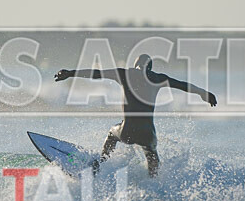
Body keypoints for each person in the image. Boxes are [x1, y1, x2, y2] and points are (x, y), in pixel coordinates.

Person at [54, 54, 217, 177]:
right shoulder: (159, 78)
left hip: (127, 131)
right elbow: (183, 85)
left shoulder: (125, 74)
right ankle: (154, 180)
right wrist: (204, 94)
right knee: (152, 154)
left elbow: (96, 74)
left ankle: (100, 164)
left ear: (136, 64)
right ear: (150, 67)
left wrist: (71, 73)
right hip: (148, 134)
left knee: (112, 134)